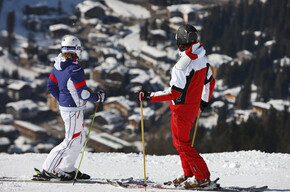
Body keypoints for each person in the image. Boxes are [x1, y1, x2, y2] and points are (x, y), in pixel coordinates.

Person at [137, 24, 215, 189]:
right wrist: (203, 103)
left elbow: (174, 93)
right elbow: (210, 82)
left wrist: (149, 96)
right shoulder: (203, 59)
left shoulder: (183, 65)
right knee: (179, 143)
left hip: (181, 110)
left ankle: (202, 177)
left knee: (183, 144)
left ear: (180, 43)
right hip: (192, 108)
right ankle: (189, 174)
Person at [36, 35, 105, 181]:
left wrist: (62, 99)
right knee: (70, 141)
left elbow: (50, 85)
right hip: (73, 110)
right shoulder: (75, 69)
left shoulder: (58, 65)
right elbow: (84, 94)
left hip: (70, 108)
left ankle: (67, 168)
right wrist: (98, 97)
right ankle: (48, 169)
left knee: (79, 139)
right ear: (77, 50)